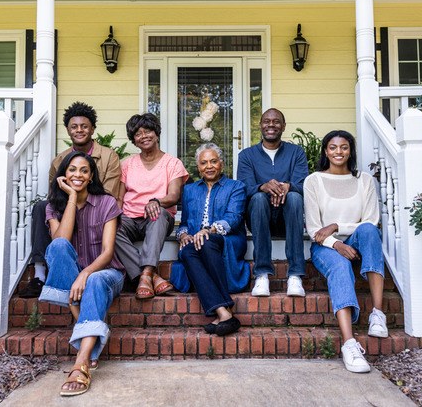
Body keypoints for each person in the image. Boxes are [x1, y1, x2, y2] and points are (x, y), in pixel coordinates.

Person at [37, 151, 124, 396]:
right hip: (71, 274)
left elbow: (108, 253)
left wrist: (84, 273)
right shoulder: (54, 206)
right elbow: (61, 242)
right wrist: (72, 198)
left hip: (108, 273)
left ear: (91, 175)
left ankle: (81, 361)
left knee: (95, 279)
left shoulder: (107, 203)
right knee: (58, 246)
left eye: (84, 170)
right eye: (72, 169)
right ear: (64, 174)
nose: (78, 174)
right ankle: (86, 337)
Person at [303, 130, 388, 374]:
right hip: (325, 246)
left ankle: (377, 314)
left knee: (370, 231)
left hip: (358, 238)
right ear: (325, 151)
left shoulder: (365, 181)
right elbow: (314, 230)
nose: (338, 152)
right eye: (332, 147)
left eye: (344, 147)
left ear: (350, 150)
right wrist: (337, 243)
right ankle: (349, 344)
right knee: (340, 265)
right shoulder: (314, 181)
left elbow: (370, 221)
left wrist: (337, 226)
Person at [19, 101, 122, 298]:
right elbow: (55, 195)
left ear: (92, 129)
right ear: (68, 130)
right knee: (42, 207)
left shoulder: (109, 156)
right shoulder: (59, 161)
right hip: (67, 210)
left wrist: (80, 198)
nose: (79, 130)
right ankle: (39, 275)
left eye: (84, 126)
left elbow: (107, 194)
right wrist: (71, 202)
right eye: (74, 127)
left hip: (96, 211)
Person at [173, 143, 249, 336]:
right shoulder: (189, 190)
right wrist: (183, 234)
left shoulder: (236, 187)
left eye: (213, 161)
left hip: (228, 240)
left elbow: (234, 217)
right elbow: (185, 222)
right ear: (198, 167)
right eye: (204, 162)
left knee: (205, 242)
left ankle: (222, 311)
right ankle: (224, 312)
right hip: (198, 242)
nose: (209, 166)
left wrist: (209, 229)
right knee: (188, 249)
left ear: (221, 164)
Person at [236, 108, 309, 297]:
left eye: (276, 122)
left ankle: (295, 275)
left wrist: (287, 186)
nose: (271, 125)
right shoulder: (247, 155)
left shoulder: (296, 152)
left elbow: (304, 185)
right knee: (259, 198)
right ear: (260, 126)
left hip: (288, 219)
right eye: (267, 121)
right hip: (259, 218)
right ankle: (261, 274)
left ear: (283, 127)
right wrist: (263, 187)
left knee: (294, 196)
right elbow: (243, 188)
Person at [115, 113, 188, 299]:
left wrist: (155, 201)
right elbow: (120, 199)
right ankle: (149, 276)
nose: (144, 136)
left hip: (159, 219)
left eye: (148, 131)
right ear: (134, 140)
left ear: (156, 133)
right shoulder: (127, 165)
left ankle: (146, 272)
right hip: (130, 219)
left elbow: (173, 195)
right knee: (110, 226)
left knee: (158, 213)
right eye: (138, 134)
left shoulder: (173, 163)